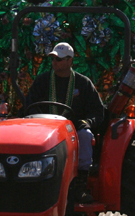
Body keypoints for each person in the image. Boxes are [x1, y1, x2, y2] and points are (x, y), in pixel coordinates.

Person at [25, 42, 105, 204]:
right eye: (53, 59)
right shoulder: (42, 81)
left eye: (59, 59)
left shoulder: (83, 83)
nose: (55, 62)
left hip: (73, 131)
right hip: (44, 131)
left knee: (85, 135)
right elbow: (29, 106)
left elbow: (98, 112)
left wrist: (87, 122)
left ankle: (80, 186)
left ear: (70, 61)